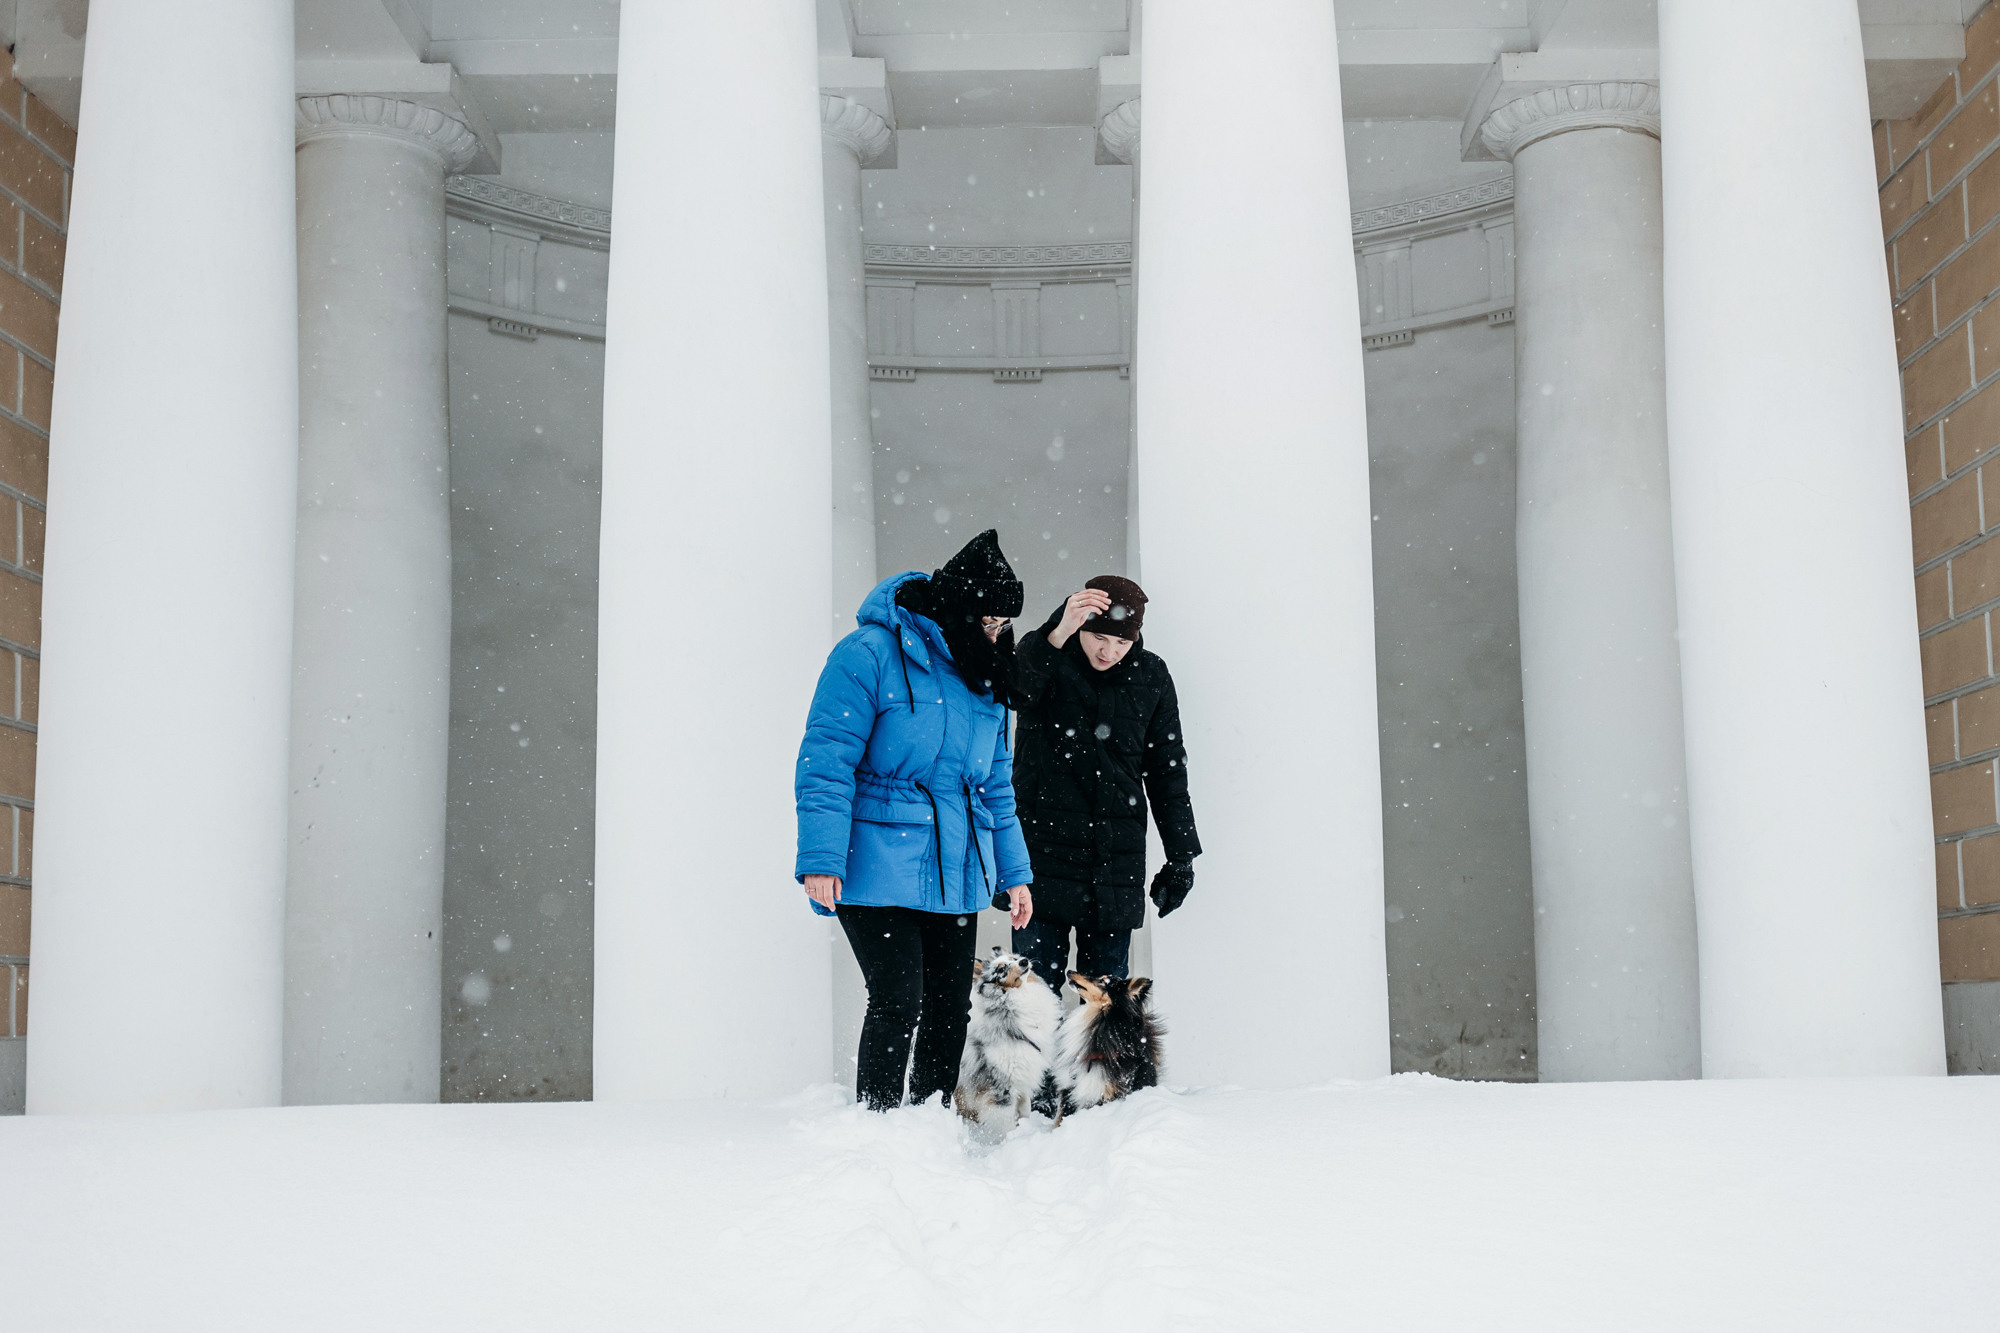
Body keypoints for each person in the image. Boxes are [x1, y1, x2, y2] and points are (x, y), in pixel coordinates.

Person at [795, 530, 1035, 1111]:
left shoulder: (985, 678)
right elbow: (827, 761)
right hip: (876, 858)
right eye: (988, 620)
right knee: (899, 997)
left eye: (1004, 624)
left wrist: (1015, 872)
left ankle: (930, 1123)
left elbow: (995, 785)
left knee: (950, 1005)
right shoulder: (869, 654)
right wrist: (820, 860)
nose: (996, 635)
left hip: (956, 866)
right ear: (955, 607)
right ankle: (877, 1125)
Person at [1007, 575, 1199, 993]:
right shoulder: (1047, 654)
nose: (1108, 651)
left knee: (1105, 1011)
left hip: (1113, 862)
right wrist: (1058, 631)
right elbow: (1015, 692)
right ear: (1080, 623)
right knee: (1033, 1003)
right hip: (1042, 857)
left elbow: (1167, 770)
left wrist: (1181, 857)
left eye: (1122, 643)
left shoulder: (1152, 676)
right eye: (1097, 636)